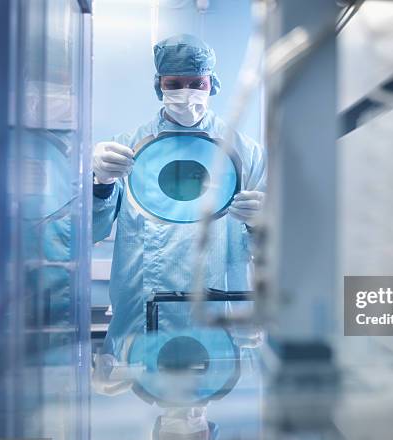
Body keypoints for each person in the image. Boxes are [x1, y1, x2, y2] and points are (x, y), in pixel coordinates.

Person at [92, 34, 265, 393]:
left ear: (211, 84)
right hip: (141, 318)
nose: (186, 93)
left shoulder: (244, 154)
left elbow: (272, 252)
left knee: (212, 388)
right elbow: (91, 231)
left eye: (195, 83)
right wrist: (100, 183)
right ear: (159, 86)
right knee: (146, 391)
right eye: (174, 84)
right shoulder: (129, 148)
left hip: (219, 317)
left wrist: (261, 223)